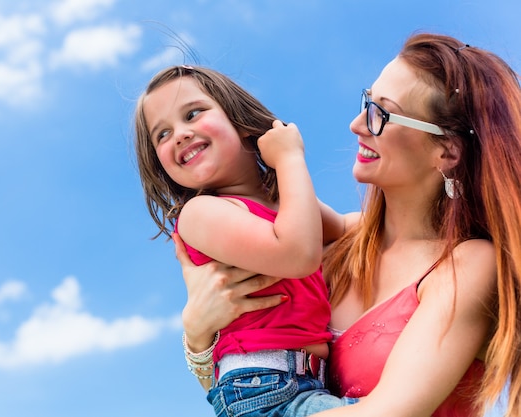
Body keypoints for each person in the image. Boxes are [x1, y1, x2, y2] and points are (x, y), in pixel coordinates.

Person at [177, 32, 521, 417]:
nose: (357, 124)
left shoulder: (468, 265)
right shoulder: (330, 249)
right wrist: (198, 335)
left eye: (382, 115)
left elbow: (392, 411)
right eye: (367, 102)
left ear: (447, 151)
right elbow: (254, 392)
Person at [134, 65, 354, 417]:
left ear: (239, 118)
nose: (179, 134)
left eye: (192, 114)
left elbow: (346, 227)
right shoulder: (201, 213)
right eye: (162, 134)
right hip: (262, 388)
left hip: (309, 384)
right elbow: (298, 254)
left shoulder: (286, 206)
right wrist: (289, 158)